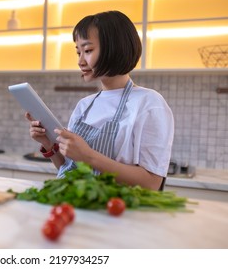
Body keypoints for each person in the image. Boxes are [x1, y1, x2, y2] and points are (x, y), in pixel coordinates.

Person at [25, 10, 174, 190]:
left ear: (115, 47)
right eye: (78, 52)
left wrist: (88, 156)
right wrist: (49, 145)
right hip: (81, 208)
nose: (80, 61)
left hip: (120, 213)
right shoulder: (85, 106)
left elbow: (151, 184)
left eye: (87, 50)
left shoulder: (149, 103)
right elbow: (71, 170)